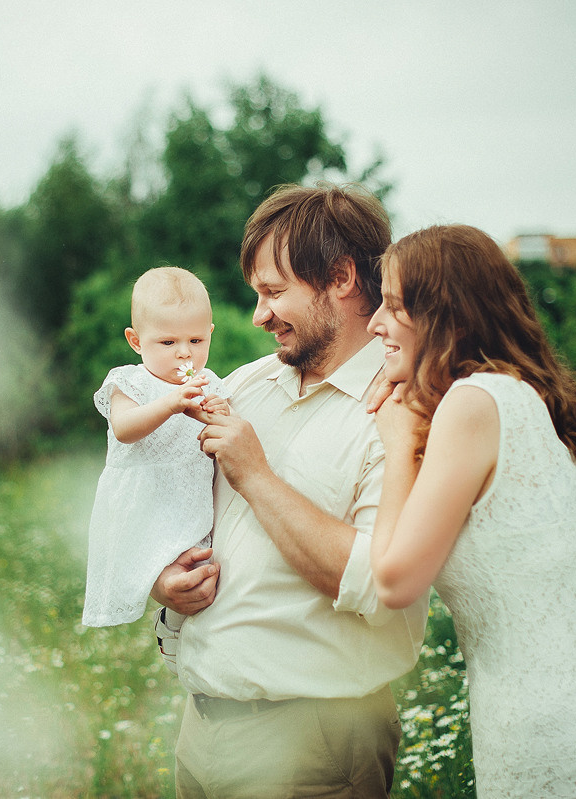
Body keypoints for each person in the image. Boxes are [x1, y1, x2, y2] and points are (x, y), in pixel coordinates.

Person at [366, 224, 576, 797]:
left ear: (448, 317)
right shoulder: (534, 395)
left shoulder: (472, 406)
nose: (375, 323)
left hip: (565, 745)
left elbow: (394, 580)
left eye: (393, 306)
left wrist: (398, 444)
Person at [152, 184, 429, 798]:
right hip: (200, 730)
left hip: (316, 744)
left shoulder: (402, 411)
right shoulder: (245, 386)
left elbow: (379, 584)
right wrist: (161, 579)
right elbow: (167, 500)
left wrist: (255, 475)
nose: (257, 315)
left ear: (341, 277)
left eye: (274, 292)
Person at [83, 266, 230, 628]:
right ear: (136, 341)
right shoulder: (130, 381)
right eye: (168, 343)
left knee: (201, 579)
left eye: (196, 341)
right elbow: (124, 429)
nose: (185, 355)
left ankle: (183, 635)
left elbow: (223, 431)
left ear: (210, 334)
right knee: (154, 569)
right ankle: (171, 626)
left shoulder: (208, 382)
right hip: (143, 499)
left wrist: (217, 412)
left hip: (189, 496)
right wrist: (174, 403)